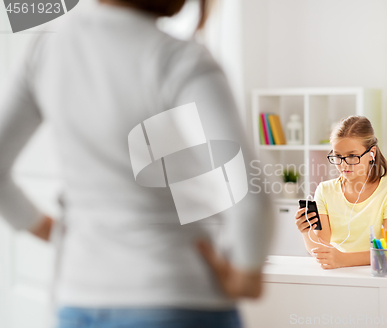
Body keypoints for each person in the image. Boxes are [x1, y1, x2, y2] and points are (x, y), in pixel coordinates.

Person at [0, 0, 275, 327]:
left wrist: (46, 229)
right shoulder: (177, 57)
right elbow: (250, 194)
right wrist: (248, 271)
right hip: (177, 296)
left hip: (79, 298)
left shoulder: (46, 50)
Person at [294, 116, 387, 269]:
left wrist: (343, 259)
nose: (343, 164)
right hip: (339, 273)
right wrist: (306, 230)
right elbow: (322, 247)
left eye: (352, 156)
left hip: (378, 274)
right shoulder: (324, 190)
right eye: (337, 156)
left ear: (371, 153)